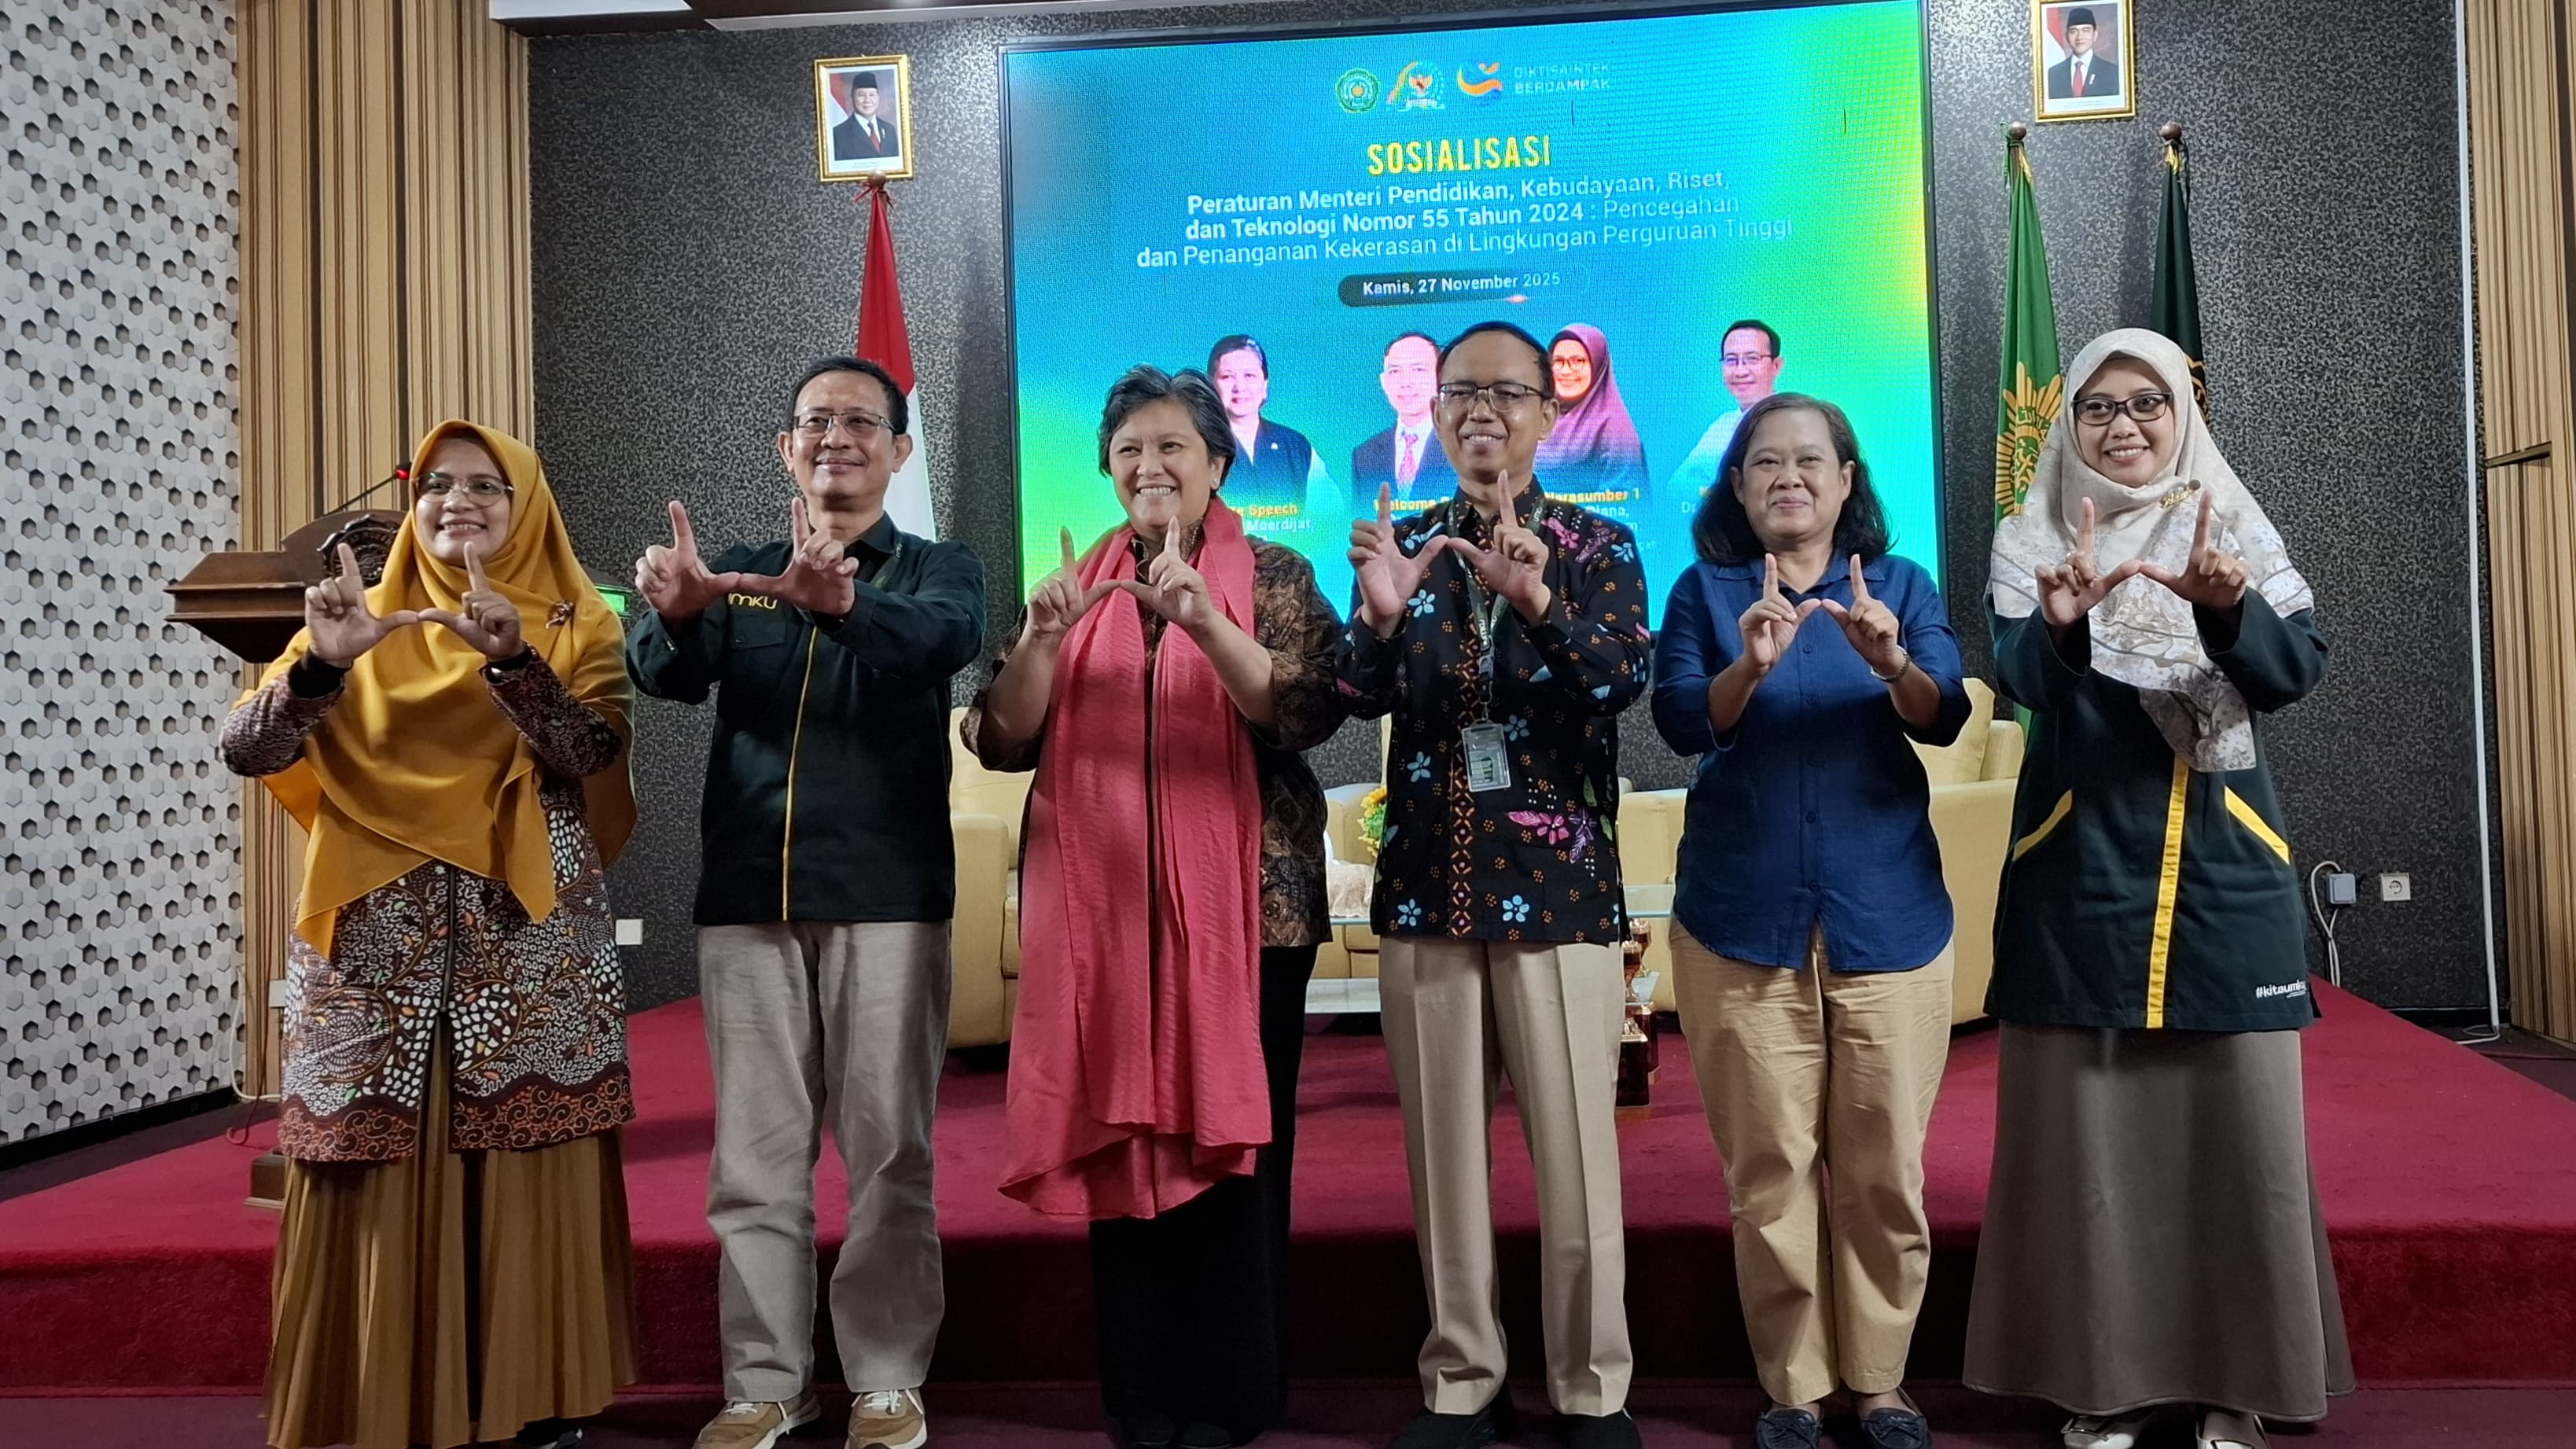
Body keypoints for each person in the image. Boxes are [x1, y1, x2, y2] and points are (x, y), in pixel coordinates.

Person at [1963, 329, 2350, 1449]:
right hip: (2079, 867)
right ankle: (2107, 1374)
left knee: (2240, 1134)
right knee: (2090, 1144)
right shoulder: (2029, 534)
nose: (2122, 425)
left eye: (2147, 403)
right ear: (2069, 428)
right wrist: (2064, 618)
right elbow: (2022, 682)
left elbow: (2291, 672)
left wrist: (2226, 609)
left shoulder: (2231, 526)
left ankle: (2243, 1377)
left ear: (2185, 414)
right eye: (2097, 408)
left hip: (2219, 863)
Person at [227, 421, 639, 1449]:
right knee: (370, 1165)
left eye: (487, 486)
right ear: (410, 508)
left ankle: (532, 1398)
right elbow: (247, 744)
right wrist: (321, 668)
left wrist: (514, 661)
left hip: (523, 938)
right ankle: (372, 1390)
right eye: (438, 486)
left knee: (529, 1153)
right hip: (378, 946)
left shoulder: (577, 617)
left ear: (527, 504)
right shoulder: (351, 617)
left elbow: (590, 751)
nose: (460, 502)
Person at [964, 365, 1345, 1449]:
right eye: (1130, 447)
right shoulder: (1073, 582)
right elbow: (1002, 737)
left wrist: (1207, 625)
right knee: (1118, 1137)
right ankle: (1143, 1389)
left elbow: (1306, 711)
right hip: (1100, 921)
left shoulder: (1273, 571)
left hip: (1253, 915)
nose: (1151, 465)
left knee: (1238, 1157)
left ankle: (1233, 1390)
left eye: (1174, 445)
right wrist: (1040, 642)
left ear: (1219, 464)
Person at [627, 357, 988, 1449]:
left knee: (888, 1150)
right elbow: (664, 671)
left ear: (899, 449)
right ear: (785, 446)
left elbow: (942, 644)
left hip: (888, 895)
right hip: (749, 898)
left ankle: (884, 1374)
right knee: (756, 1156)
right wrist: (683, 616)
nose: (836, 436)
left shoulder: (940, 566)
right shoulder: (737, 569)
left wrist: (845, 605)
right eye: (815, 421)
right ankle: (767, 1381)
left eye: (861, 422)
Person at [1338, 321, 1651, 1449]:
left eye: (1505, 393)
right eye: (1461, 391)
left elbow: (1621, 678)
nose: (1481, 411)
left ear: (1549, 411)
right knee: (1442, 1155)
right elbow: (1350, 690)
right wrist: (1376, 620)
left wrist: (1538, 603)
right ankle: (1463, 1374)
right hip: (1428, 883)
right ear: (1436, 410)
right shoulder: (1401, 538)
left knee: (1576, 1151)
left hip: (1558, 891)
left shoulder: (1598, 545)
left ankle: (1591, 1384)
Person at [1650, 394, 1971, 1449]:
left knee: (1882, 1168)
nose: (1787, 477)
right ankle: (1796, 1383)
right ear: (1738, 488)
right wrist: (1753, 660)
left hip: (1889, 915)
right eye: (1763, 463)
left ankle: (1880, 1382)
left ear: (1845, 480)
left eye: (1808, 461)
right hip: (1741, 917)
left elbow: (1945, 713)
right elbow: (1684, 718)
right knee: (1770, 1167)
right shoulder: (1706, 589)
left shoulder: (1902, 587)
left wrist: (1891, 663)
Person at [1209, 334, 1340, 526]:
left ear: (1265, 386)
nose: (1239, 387)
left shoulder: (1296, 446)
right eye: (1227, 377)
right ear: (1211, 385)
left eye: (1249, 376)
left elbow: (1331, 516)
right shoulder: (1200, 446)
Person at [1668, 320, 1788, 497]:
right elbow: (1676, 487)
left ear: (1776, 366)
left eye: (1752, 359)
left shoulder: (1793, 421)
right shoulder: (1722, 425)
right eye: (1731, 361)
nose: (1740, 371)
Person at [1534, 324, 1649, 505]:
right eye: (1558, 361)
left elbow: (1624, 506)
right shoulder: (1540, 418)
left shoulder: (1615, 428)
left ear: (1597, 365)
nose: (1566, 371)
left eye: (1578, 361)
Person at [1351, 331, 1459, 505]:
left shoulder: (1466, 446)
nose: (1406, 382)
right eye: (1395, 371)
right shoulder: (1364, 455)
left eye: (1418, 370)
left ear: (1441, 378)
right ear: (1384, 382)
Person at [2045, 8, 2119, 101]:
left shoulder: (2113, 73)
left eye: (2085, 31)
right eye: (2073, 31)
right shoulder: (2053, 74)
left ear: (2095, 35)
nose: (2079, 37)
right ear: (2067, 37)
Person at [833, 71, 901, 164]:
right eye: (861, 95)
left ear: (878, 98)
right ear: (852, 98)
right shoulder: (838, 134)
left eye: (872, 95)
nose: (867, 100)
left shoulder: (889, 130)